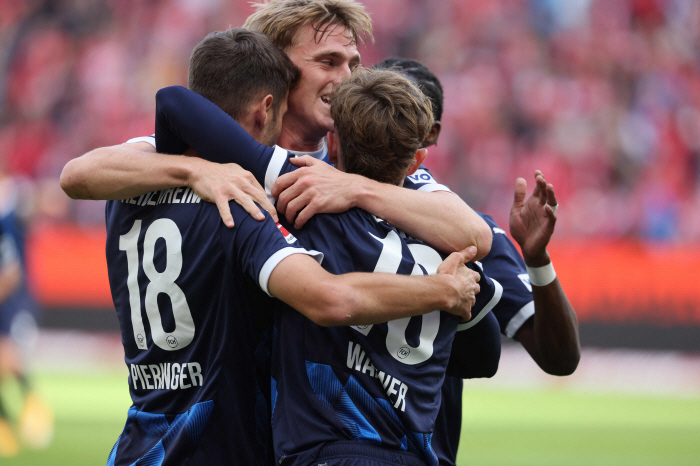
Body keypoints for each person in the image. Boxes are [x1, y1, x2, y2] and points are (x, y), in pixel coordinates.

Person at [100, 29, 481, 466]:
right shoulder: (252, 206)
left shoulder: (129, 185)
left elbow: (83, 169)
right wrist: (444, 291)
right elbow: (333, 298)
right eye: (329, 61)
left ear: (336, 140)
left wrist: (187, 170)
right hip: (227, 449)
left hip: (140, 446)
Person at [59, 0, 493, 260]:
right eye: (328, 63)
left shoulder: (364, 162)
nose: (347, 80)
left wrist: (356, 188)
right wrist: (194, 172)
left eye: (353, 65)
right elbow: (80, 174)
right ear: (279, 72)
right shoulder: (210, 150)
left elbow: (473, 235)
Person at [375, 57, 581, 466]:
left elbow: (559, 357)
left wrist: (536, 260)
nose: (379, 122)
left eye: (400, 114)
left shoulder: (473, 237)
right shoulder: (313, 198)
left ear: (429, 135)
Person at [0, 183, 53, 457]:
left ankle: (30, 408)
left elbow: (11, 271)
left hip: (11, 300)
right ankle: (7, 423)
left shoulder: (10, 203)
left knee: (8, 358)